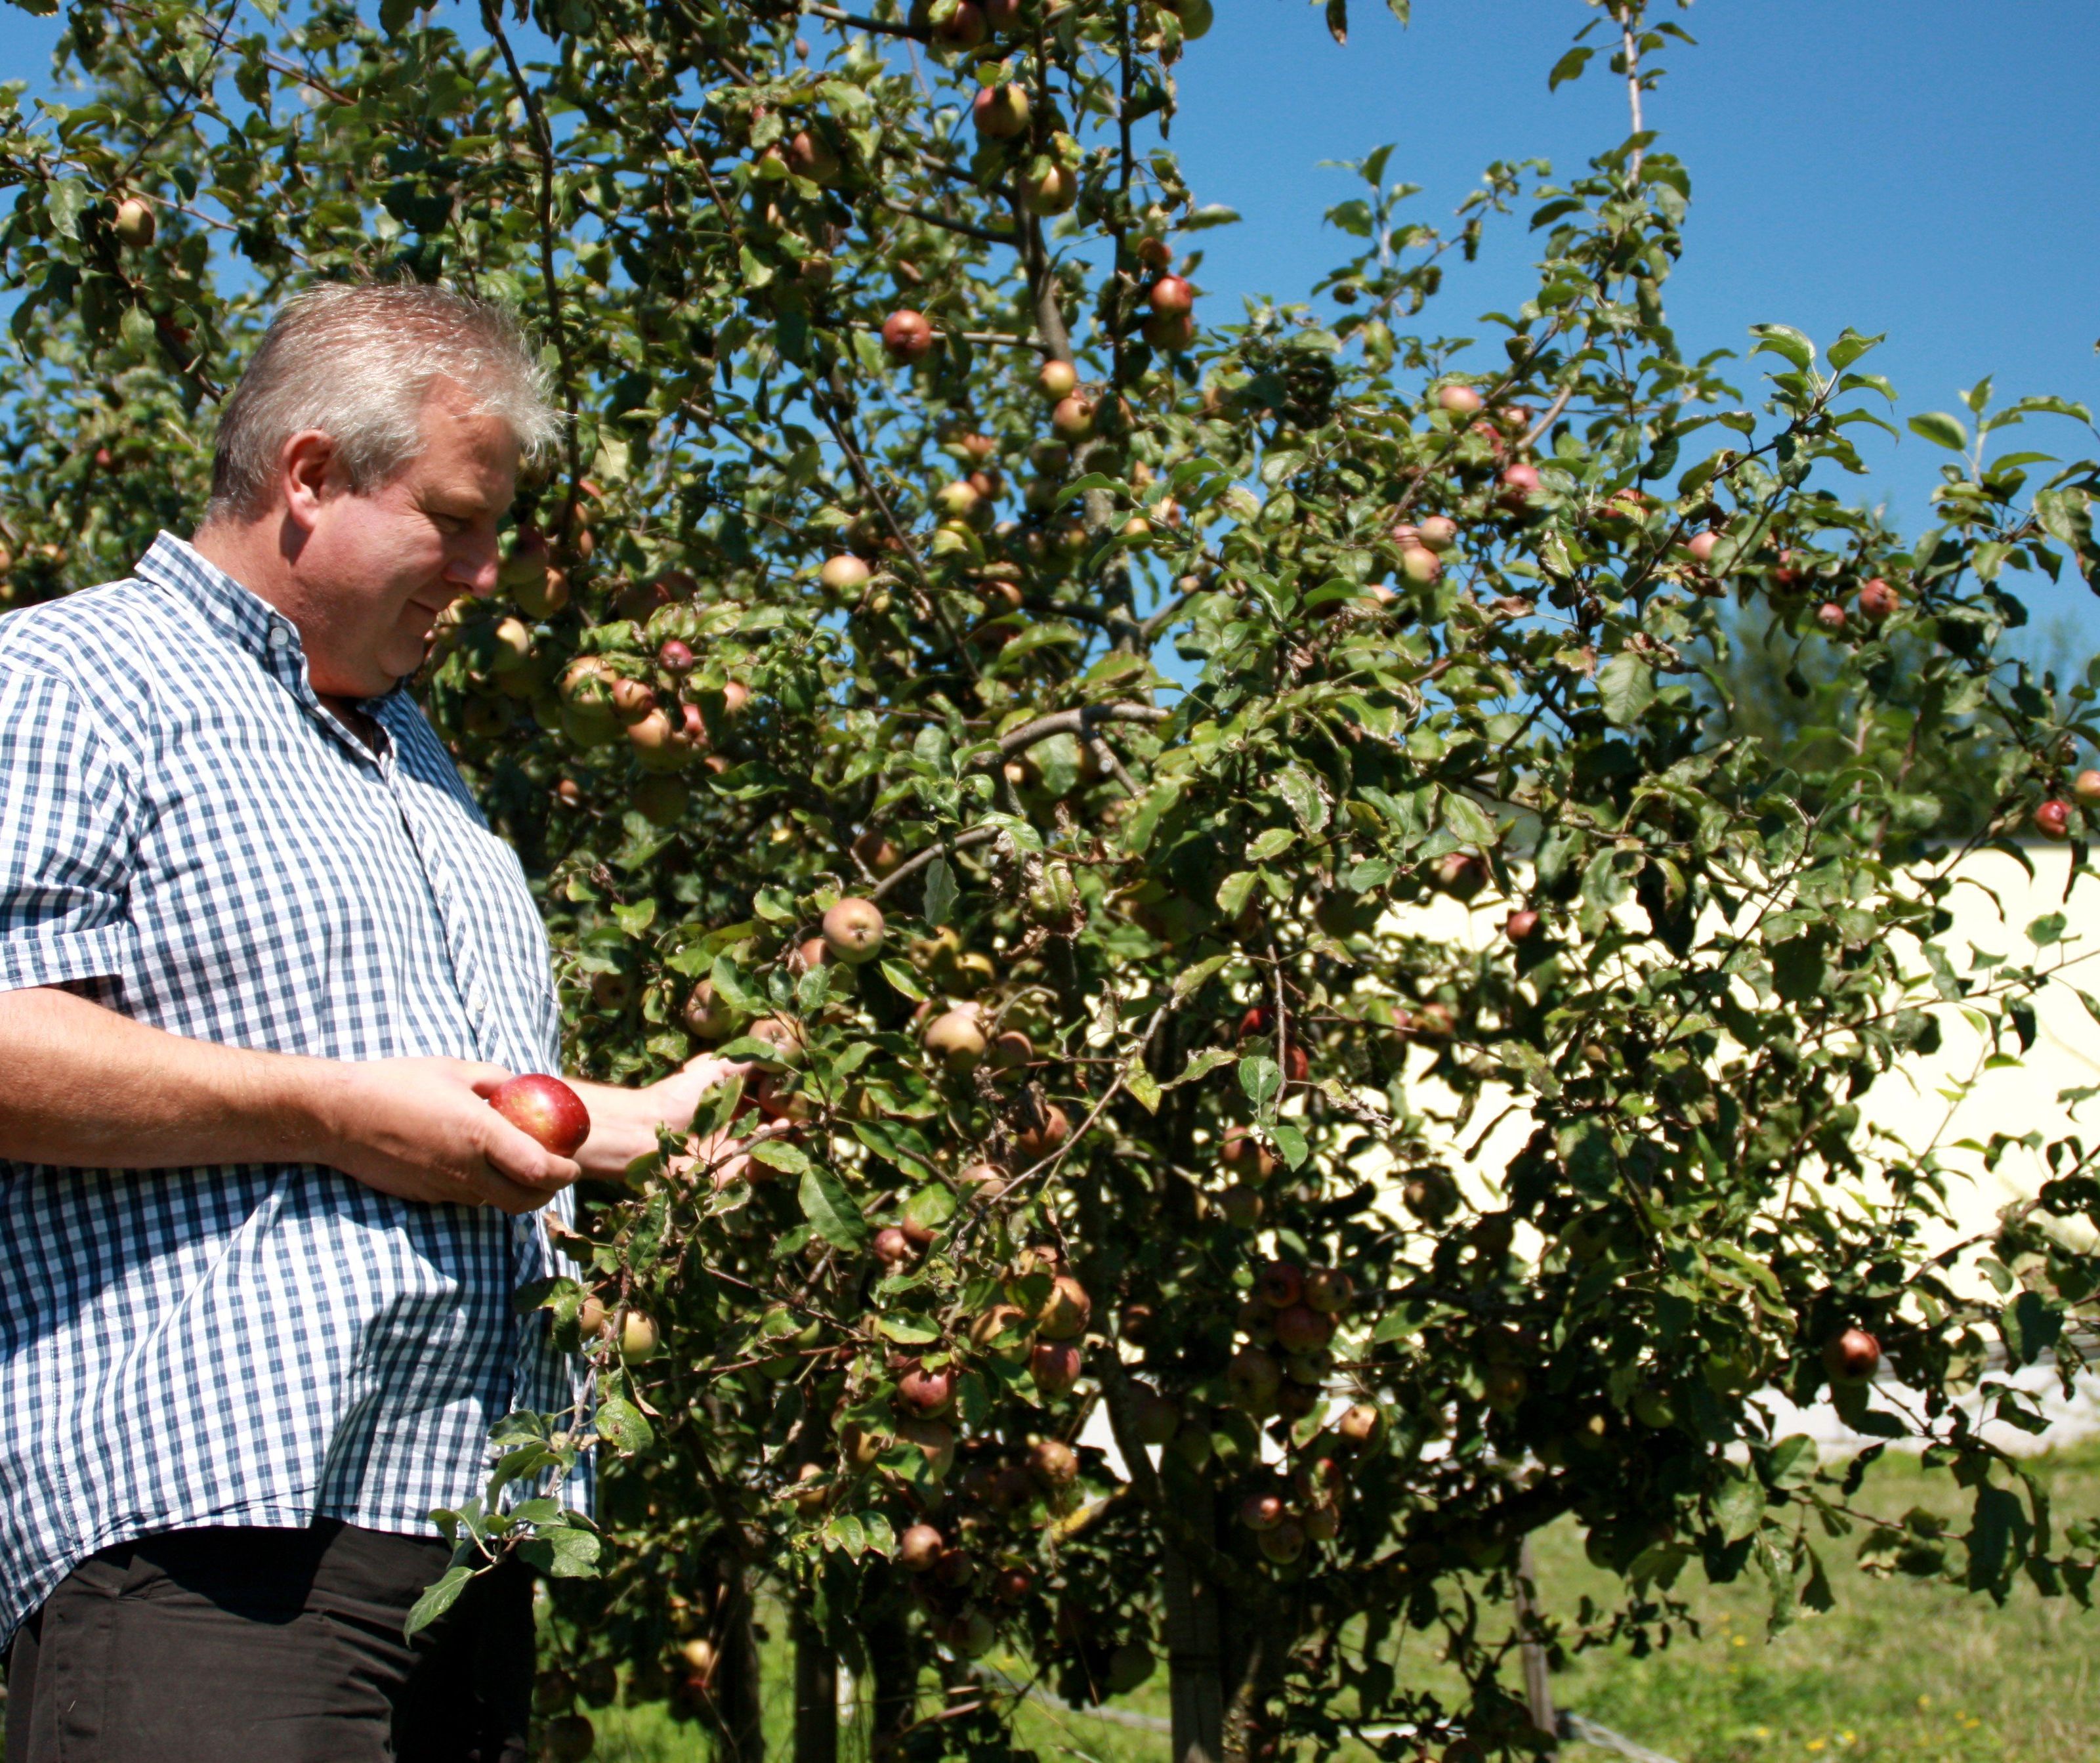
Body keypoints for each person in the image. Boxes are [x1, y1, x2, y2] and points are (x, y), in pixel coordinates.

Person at [0, 282, 732, 1760]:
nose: (482, 573)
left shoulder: (414, 754)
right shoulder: (72, 678)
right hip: (212, 1541)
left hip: (465, 1538)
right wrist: (333, 1112)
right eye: (455, 520)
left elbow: (437, 1086)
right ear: (311, 474)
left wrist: (623, 1122)